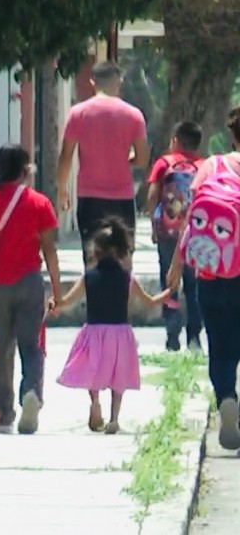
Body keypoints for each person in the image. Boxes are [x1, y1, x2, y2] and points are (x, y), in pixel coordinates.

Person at [0, 144, 62, 435]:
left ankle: (4, 414)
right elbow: (50, 251)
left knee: (2, 348)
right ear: (25, 169)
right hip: (30, 281)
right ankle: (31, 391)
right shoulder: (40, 203)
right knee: (31, 346)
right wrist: (57, 290)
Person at [54, 217, 170, 434]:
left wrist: (54, 303)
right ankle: (114, 417)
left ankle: (95, 402)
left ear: (96, 249)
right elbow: (150, 302)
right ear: (120, 250)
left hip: (94, 331)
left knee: (93, 370)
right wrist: (168, 292)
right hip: (120, 333)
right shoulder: (128, 279)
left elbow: (66, 302)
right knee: (118, 377)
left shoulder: (88, 277)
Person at [168, 105, 240, 450]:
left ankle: (226, 395)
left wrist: (178, 263)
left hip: (211, 270)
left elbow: (191, 218)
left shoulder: (213, 166)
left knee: (219, 342)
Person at [57, 61, 150, 265]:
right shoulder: (134, 115)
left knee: (92, 257)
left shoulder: (78, 113)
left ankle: (94, 295)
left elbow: (65, 156)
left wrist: (62, 189)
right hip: (122, 198)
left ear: (93, 82)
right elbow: (143, 159)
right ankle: (121, 295)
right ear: (119, 82)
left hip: (89, 198)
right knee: (123, 258)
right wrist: (125, 160)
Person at [146, 121, 204, 351]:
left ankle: (172, 334)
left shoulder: (164, 163)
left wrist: (154, 223)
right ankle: (194, 337)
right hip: (194, 232)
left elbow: (152, 195)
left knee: (168, 282)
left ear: (176, 141)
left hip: (167, 232)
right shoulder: (203, 166)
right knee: (194, 283)